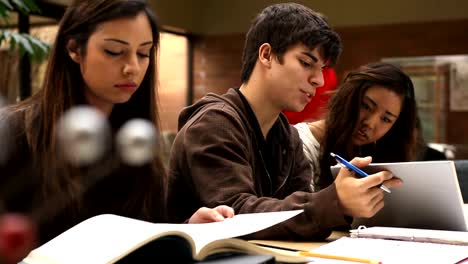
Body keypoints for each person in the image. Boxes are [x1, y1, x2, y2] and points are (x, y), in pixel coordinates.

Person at [0, 0, 233, 257]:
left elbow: (146, 227)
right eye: (114, 51)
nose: (132, 67)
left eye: (144, 53)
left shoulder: (134, 139)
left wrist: (189, 228)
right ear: (74, 49)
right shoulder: (17, 132)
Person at [167, 3, 399, 240]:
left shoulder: (287, 136)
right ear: (266, 55)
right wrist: (336, 200)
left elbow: (297, 217)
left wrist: (338, 203)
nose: (318, 80)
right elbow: (236, 215)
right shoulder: (215, 124)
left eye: (322, 68)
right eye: (306, 63)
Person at [295, 62, 418, 190]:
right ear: (348, 96)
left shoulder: (373, 153)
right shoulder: (300, 144)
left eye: (386, 119)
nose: (370, 123)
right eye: (365, 106)